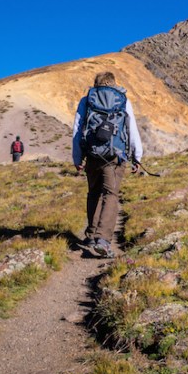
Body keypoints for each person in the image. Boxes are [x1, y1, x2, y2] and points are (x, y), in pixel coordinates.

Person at [71, 71, 143, 258]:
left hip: (92, 155)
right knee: (111, 194)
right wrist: (138, 156)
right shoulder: (123, 100)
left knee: (93, 193)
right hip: (115, 157)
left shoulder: (86, 100)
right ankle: (103, 239)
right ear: (113, 83)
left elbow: (77, 131)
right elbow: (131, 129)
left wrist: (77, 158)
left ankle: (92, 235)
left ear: (97, 84)